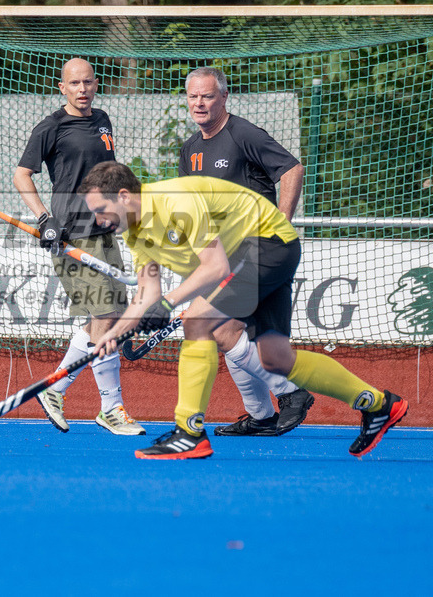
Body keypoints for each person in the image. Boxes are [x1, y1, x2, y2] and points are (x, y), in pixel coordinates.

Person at [79, 161, 408, 459]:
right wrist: (113, 335)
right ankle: (379, 404)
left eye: (100, 210)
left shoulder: (174, 201)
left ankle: (189, 432)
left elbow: (215, 267)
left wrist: (168, 303)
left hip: (265, 244)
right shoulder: (136, 233)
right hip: (258, 255)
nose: (99, 220)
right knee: (276, 359)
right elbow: (146, 294)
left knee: (197, 323)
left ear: (123, 196)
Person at [179, 66, 313, 437]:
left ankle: (292, 396)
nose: (199, 103)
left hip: (265, 249)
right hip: (232, 256)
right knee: (250, 339)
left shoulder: (242, 133)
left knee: (215, 325)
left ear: (223, 97)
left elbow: (291, 170)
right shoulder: (191, 150)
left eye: (207, 95)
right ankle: (261, 415)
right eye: (193, 96)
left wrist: (280, 222)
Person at [13, 57, 143, 436]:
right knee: (104, 315)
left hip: (104, 230)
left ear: (96, 84)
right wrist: (43, 219)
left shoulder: (102, 118)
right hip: (71, 234)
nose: (82, 89)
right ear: (62, 87)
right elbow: (22, 174)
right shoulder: (51, 127)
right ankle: (111, 408)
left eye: (88, 82)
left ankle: (56, 388)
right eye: (75, 83)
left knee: (105, 319)